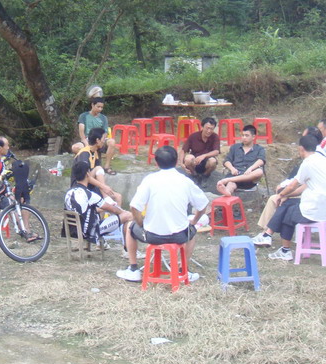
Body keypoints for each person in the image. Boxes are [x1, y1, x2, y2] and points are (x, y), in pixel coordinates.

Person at [116, 146, 210, 283]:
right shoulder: (185, 181)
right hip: (179, 235)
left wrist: (141, 223)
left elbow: (134, 206)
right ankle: (182, 270)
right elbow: (203, 204)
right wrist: (194, 221)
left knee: (130, 226)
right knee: (192, 231)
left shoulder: (150, 180)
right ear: (177, 161)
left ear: (157, 162)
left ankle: (133, 269)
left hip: (152, 235)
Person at [251, 134, 326, 260]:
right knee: (288, 204)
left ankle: (275, 242)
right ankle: (270, 237)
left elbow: (292, 186)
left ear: (301, 148)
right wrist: (285, 196)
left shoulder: (308, 162)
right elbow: (301, 189)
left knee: (288, 212)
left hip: (314, 209)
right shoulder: (322, 160)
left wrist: (281, 195)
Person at [256, 126, 322, 230]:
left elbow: (299, 185)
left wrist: (284, 193)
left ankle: (267, 233)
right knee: (278, 197)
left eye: (303, 137)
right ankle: (266, 232)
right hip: (312, 195)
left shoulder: (312, 160)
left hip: (310, 199)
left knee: (277, 200)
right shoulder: (318, 157)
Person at [64, 161, 134, 255]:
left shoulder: (69, 193)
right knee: (128, 216)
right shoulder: (90, 195)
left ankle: (107, 244)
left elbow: (83, 210)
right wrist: (122, 212)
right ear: (88, 174)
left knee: (121, 214)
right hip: (90, 232)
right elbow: (113, 209)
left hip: (73, 231)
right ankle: (128, 251)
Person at [74, 127, 122, 206]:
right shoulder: (84, 154)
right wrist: (103, 187)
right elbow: (85, 176)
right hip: (80, 187)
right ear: (98, 140)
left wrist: (103, 187)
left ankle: (110, 208)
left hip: (91, 185)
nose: (104, 141)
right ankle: (106, 198)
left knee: (118, 197)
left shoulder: (95, 153)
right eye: (103, 138)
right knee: (98, 168)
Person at [216, 124, 266, 196]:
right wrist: (232, 168)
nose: (244, 138)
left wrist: (251, 168)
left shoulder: (259, 149)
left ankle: (226, 181)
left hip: (248, 179)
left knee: (259, 171)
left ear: (253, 137)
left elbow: (261, 160)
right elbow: (227, 161)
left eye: (246, 135)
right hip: (234, 176)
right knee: (231, 185)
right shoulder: (235, 147)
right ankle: (227, 193)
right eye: (242, 135)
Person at [74, 97, 117, 175]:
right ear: (92, 105)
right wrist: (87, 145)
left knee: (112, 142)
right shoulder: (83, 116)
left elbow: (105, 132)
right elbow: (82, 132)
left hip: (100, 139)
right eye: (98, 107)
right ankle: (88, 165)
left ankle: (107, 167)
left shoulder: (103, 118)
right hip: (88, 139)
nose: (100, 109)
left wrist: (102, 141)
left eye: (101, 107)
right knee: (75, 147)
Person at [180, 117, 219, 181]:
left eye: (211, 129)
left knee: (213, 161)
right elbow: (183, 150)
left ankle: (205, 176)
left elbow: (216, 151)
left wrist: (204, 156)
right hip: (195, 162)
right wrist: (181, 163)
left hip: (207, 162)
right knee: (188, 159)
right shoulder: (193, 136)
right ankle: (194, 175)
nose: (209, 131)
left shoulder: (215, 137)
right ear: (202, 127)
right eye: (207, 128)